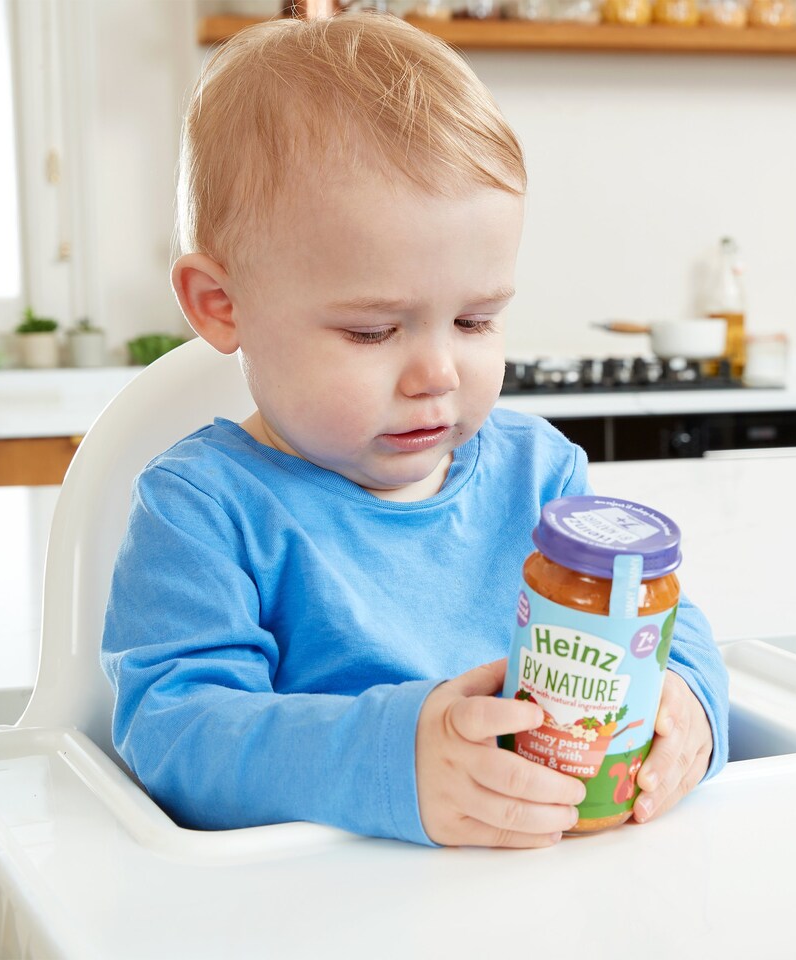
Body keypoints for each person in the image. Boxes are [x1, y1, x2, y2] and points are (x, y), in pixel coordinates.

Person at [101, 12, 728, 849]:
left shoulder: (540, 476)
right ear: (222, 304)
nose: (438, 373)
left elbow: (660, 625)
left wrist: (691, 707)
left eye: (475, 321)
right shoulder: (203, 509)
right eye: (372, 332)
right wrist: (394, 763)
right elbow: (178, 735)